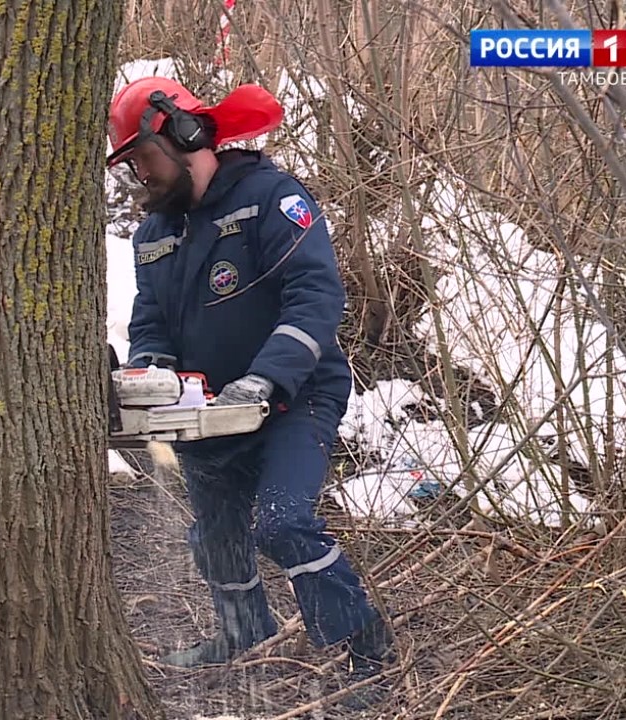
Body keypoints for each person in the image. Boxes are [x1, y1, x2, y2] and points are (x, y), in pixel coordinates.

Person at [106, 76, 396, 708]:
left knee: (281, 520)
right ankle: (242, 629)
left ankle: (365, 649)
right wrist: (149, 373)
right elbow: (151, 318)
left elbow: (316, 295)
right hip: (207, 410)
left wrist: (266, 377)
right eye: (129, 166)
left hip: (296, 396)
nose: (140, 178)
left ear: (183, 136)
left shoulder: (272, 198)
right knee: (216, 531)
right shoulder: (153, 234)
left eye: (143, 159)